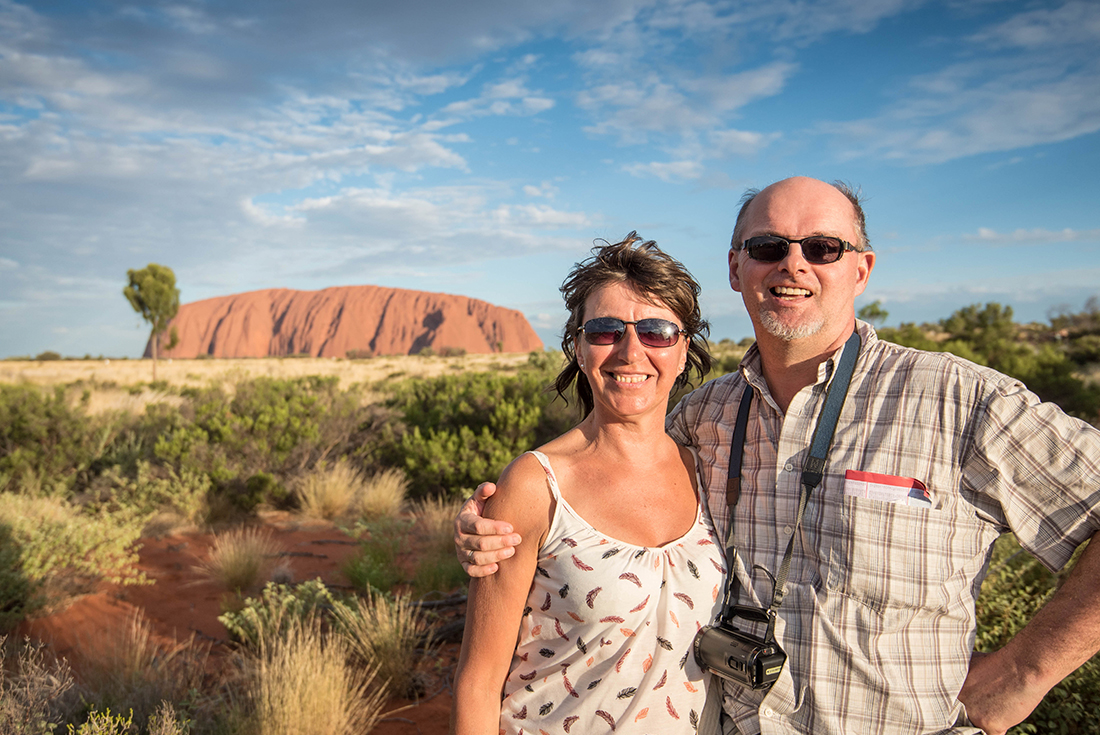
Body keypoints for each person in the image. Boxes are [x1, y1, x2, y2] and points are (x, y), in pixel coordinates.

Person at [454, 177, 1100, 735]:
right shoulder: (704, 420)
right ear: (737, 269)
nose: (793, 265)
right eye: (768, 247)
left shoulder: (958, 399)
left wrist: (1025, 670)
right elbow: (602, 485)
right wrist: (490, 527)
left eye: (822, 247)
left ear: (861, 268)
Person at [450, 233, 725, 734]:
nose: (630, 351)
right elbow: (478, 682)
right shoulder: (535, 485)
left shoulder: (709, 468)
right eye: (604, 331)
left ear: (684, 350)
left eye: (657, 331)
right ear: (578, 348)